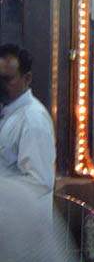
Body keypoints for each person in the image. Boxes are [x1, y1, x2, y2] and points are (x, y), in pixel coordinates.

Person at [0, 43, 55, 221]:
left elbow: (40, 182)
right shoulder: (8, 110)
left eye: (7, 79)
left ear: (27, 78)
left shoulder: (33, 120)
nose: (1, 85)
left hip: (24, 229)